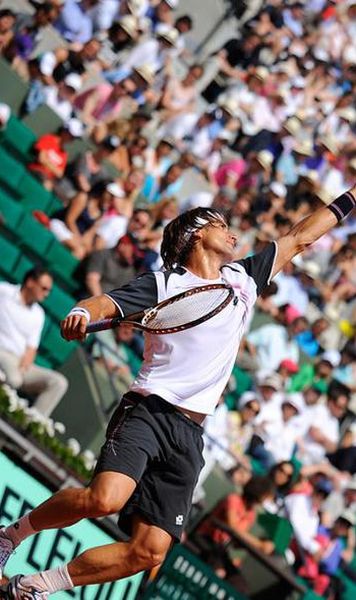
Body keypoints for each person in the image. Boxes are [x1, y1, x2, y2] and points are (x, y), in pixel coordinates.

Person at [0, 185, 355, 598]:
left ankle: (33, 586)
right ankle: (10, 535)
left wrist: (350, 197)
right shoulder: (164, 284)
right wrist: (81, 311)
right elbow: (103, 303)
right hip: (149, 411)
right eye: (221, 225)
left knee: (149, 552)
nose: (233, 234)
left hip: (190, 434)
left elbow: (299, 237)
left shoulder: (243, 278)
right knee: (104, 499)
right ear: (196, 234)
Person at [0, 268, 68, 418]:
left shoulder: (39, 314)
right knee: (14, 379)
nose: (47, 294)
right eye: (44, 288)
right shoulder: (3, 291)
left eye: (49, 290)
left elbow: (31, 348)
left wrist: (24, 367)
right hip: (2, 352)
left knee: (58, 383)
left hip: (20, 363)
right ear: (30, 282)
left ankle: (30, 424)